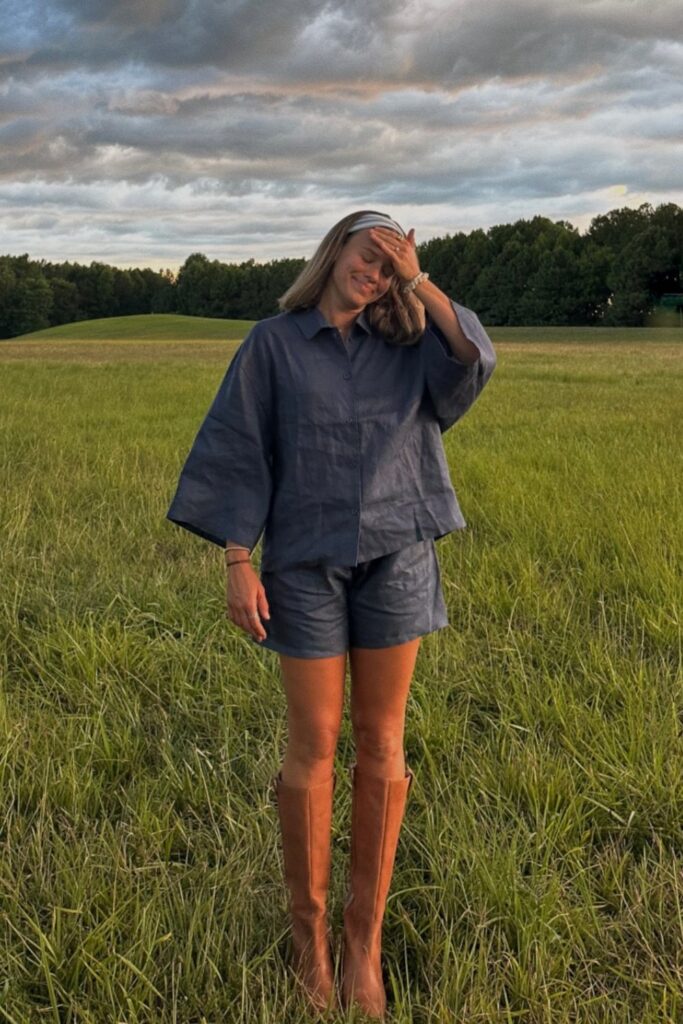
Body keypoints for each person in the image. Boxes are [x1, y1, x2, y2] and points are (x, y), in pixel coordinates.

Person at [166, 210, 497, 1018]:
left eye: (389, 264)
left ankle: (363, 943)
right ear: (334, 252)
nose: (374, 273)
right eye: (367, 254)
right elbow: (238, 446)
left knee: (383, 742)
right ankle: (308, 938)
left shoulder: (408, 346)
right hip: (302, 564)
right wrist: (237, 559)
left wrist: (418, 278)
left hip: (397, 555)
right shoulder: (272, 345)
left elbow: (475, 356)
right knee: (312, 746)